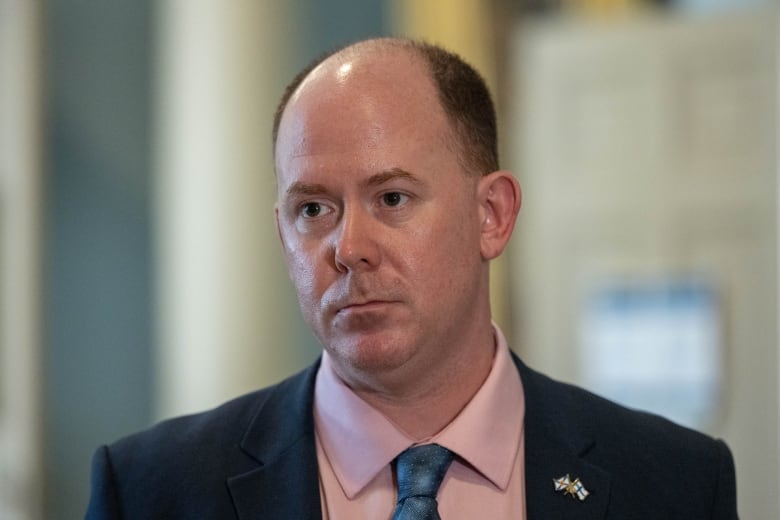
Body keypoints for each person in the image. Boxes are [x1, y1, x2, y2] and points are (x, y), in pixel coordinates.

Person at [85, 37, 738, 519]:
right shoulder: (151, 490)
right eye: (313, 210)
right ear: (283, 234)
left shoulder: (674, 484)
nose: (349, 248)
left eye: (392, 198)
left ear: (492, 215)